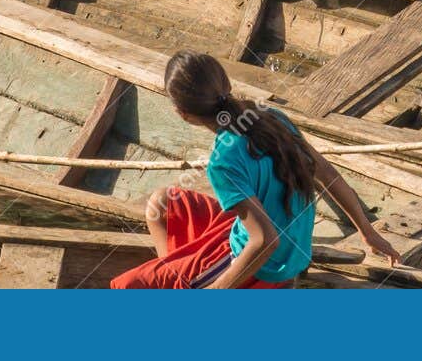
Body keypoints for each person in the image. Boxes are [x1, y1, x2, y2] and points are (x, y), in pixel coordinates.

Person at [111, 52, 400, 288]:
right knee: (161, 203)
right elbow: (326, 172)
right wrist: (367, 231)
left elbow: (266, 241)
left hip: (264, 267)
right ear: (225, 84)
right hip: (288, 247)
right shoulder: (271, 117)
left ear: (182, 113)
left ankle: (187, 281)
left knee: (126, 286)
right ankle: (180, 273)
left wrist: (218, 290)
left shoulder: (222, 162)